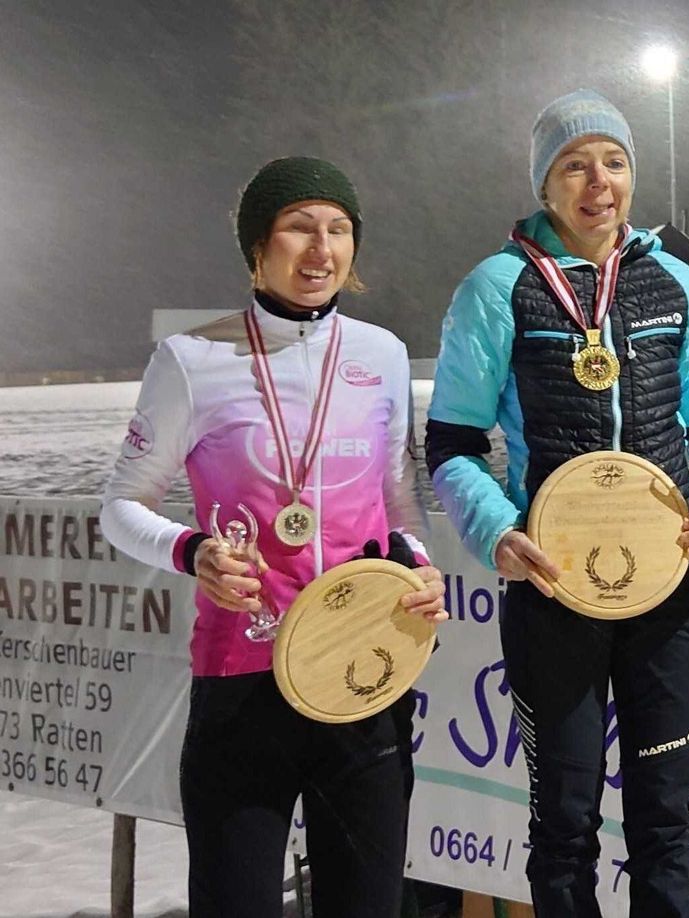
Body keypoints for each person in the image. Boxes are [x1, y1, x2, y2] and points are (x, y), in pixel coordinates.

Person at [425, 89, 689, 917]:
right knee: (564, 823)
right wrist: (496, 528)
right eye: (574, 164)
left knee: (666, 823)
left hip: (666, 594)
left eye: (614, 161)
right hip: (553, 589)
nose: (597, 182)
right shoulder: (496, 288)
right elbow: (452, 448)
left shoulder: (676, 285)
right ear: (544, 183)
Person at [101, 156, 447, 918]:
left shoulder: (381, 355)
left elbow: (400, 506)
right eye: (299, 228)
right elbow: (121, 505)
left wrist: (419, 565)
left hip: (361, 670)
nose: (321, 248)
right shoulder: (191, 360)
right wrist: (193, 553)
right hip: (243, 680)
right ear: (259, 244)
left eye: (339, 229)